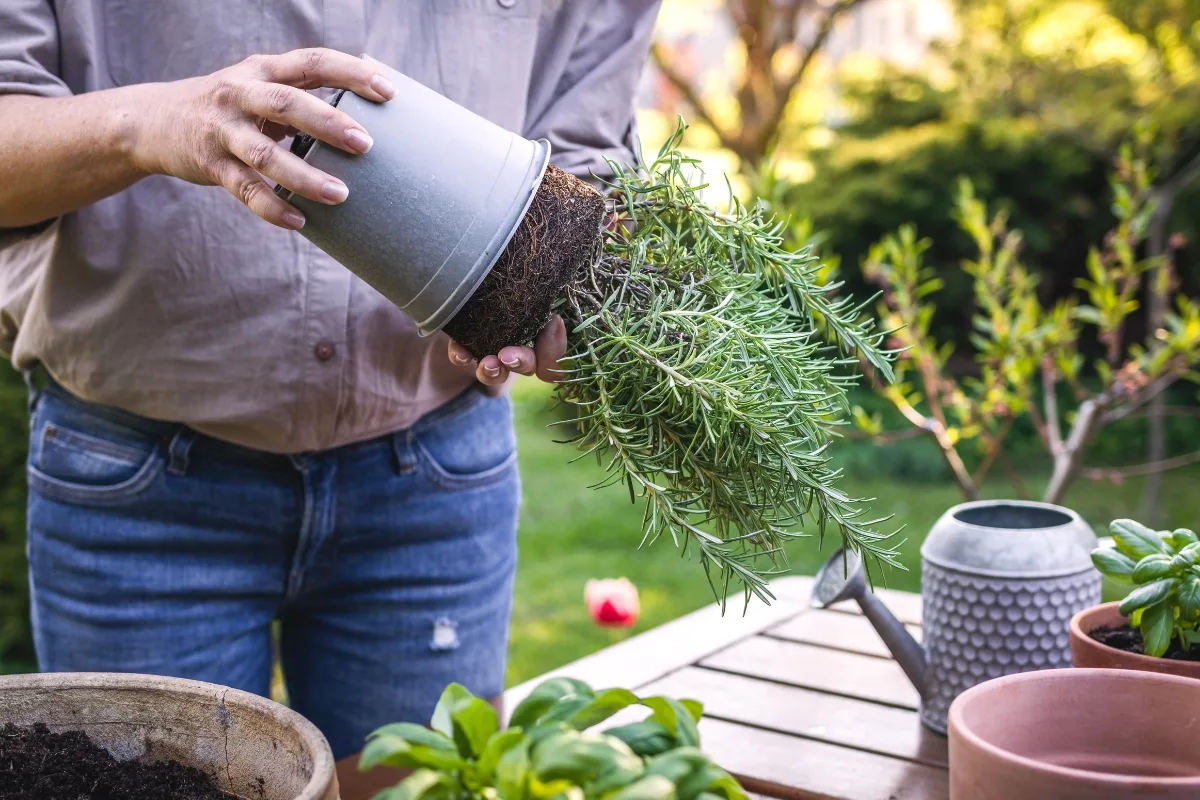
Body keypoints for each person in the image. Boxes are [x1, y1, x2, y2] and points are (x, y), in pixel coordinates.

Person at [0, 0, 660, 765]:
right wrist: (148, 121)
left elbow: (589, 162)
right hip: (138, 492)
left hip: (431, 482)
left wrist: (560, 286)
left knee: (420, 783)